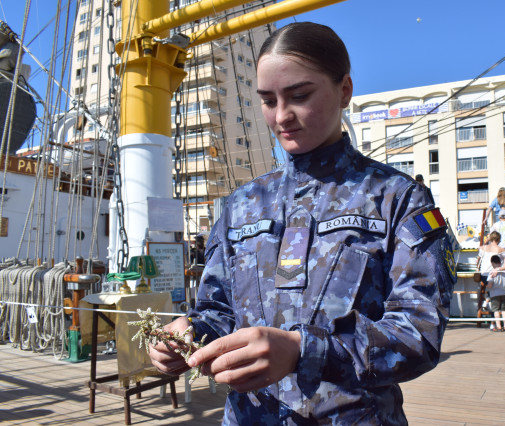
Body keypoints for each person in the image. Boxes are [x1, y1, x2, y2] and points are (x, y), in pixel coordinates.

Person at [148, 22, 455, 424]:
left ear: (344, 90)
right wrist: (188, 334)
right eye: (268, 100)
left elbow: (419, 333)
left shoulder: (398, 199)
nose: (281, 116)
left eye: (299, 96)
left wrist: (303, 351)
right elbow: (219, 309)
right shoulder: (241, 205)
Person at [487, 254, 505, 331]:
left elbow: (490, 284)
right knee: (504, 310)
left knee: (496, 310)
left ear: (492, 263)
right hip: (504, 293)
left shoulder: (491, 272)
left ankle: (499, 326)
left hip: (494, 294)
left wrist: (487, 287)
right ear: (500, 262)